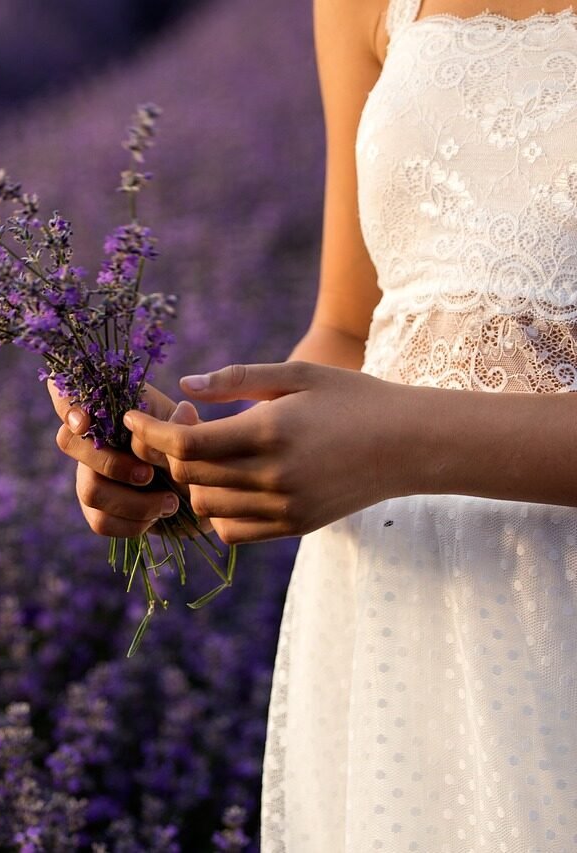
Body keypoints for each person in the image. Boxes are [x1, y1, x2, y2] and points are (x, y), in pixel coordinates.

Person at [49, 0, 577, 849]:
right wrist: (207, 458)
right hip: (401, 607)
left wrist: (398, 443)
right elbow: (350, 325)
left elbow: (391, 420)